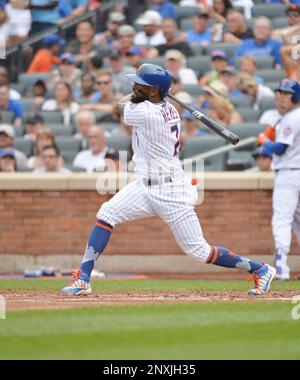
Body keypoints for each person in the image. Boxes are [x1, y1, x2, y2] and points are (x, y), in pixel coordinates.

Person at [60, 63, 276, 296]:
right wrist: (151, 91)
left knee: (199, 251)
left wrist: (146, 94)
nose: (134, 86)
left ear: (153, 91)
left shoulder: (146, 112)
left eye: (140, 84)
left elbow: (118, 106)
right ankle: (83, 278)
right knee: (106, 213)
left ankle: (261, 269)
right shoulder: (168, 108)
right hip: (144, 185)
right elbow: (131, 101)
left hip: (170, 190)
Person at [259, 79, 300, 281]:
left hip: (289, 174)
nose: (281, 99)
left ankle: (281, 268)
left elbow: (280, 148)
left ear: (295, 97)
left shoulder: (292, 117)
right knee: (297, 224)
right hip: (295, 171)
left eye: (286, 95)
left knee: (282, 220)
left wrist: (265, 143)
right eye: (279, 95)